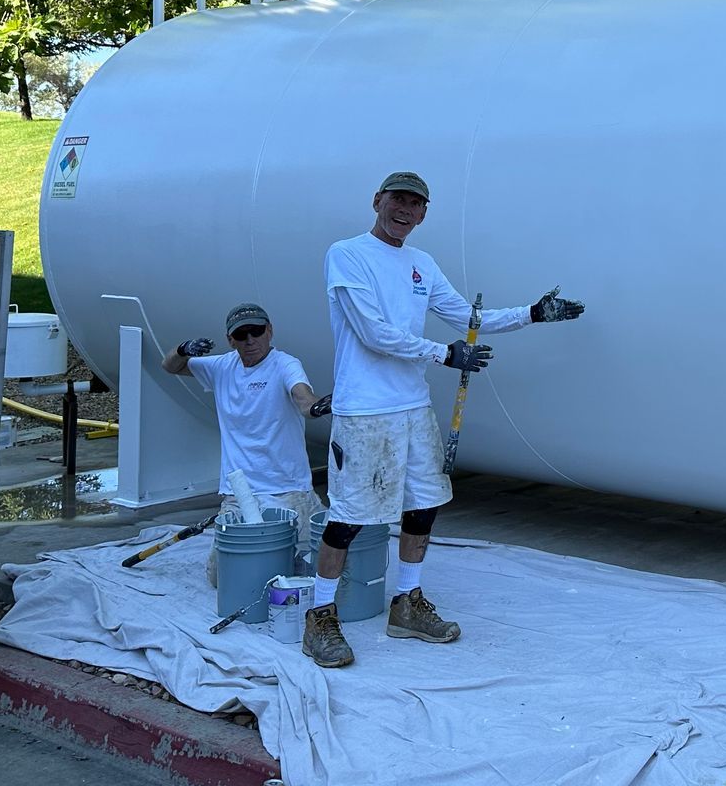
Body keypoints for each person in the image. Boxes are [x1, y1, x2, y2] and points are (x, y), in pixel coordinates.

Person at [303, 169, 585, 668]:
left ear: (424, 213)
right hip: (366, 411)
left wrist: (534, 313)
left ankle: (406, 604)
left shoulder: (421, 263)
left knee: (422, 506)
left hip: (413, 408)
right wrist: (443, 354)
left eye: (416, 204)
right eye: (397, 200)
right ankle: (320, 615)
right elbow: (373, 332)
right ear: (377, 201)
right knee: (349, 515)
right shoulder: (347, 254)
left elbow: (468, 320)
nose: (405, 210)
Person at [163, 303, 327, 585]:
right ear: (231, 340)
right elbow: (170, 366)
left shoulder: (286, 364)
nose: (250, 340)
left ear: (270, 331)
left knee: (309, 571)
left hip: (289, 489)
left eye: (257, 331)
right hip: (239, 495)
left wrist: (314, 408)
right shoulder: (220, 367)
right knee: (221, 579)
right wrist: (184, 348)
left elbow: (302, 396)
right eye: (242, 334)